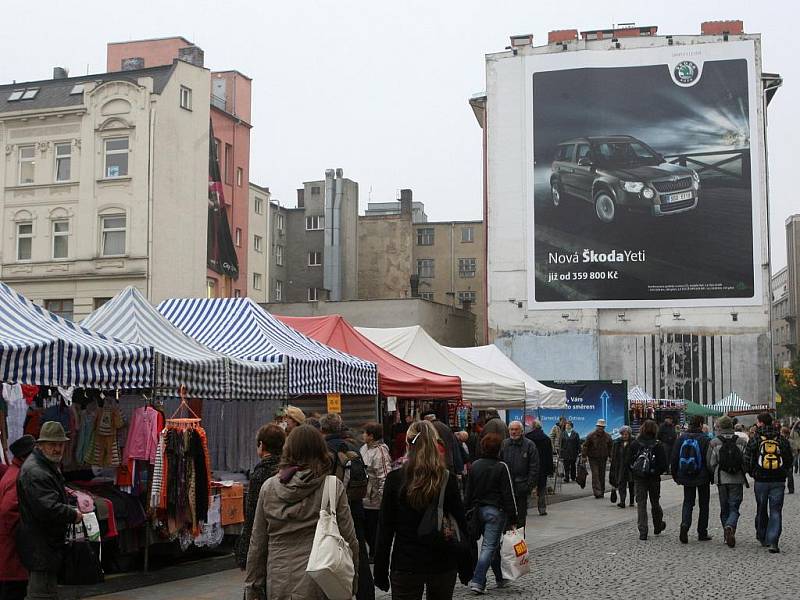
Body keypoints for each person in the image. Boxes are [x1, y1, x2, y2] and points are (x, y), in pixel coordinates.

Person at [244, 425, 359, 599]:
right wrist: (352, 580)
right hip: (320, 579)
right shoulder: (331, 486)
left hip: (279, 579)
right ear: (321, 450)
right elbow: (349, 538)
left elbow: (257, 543)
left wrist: (253, 587)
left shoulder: (269, 488)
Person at [374, 420, 471, 599]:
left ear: (407, 444)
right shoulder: (446, 479)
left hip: (406, 562)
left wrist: (380, 569)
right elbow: (460, 523)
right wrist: (466, 565)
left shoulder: (396, 479)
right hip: (442, 560)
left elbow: (385, 529)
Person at [16, 423, 83, 600]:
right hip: (41, 547)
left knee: (44, 593)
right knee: (41, 595)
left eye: (60, 444)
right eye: (52, 444)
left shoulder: (44, 465)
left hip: (44, 546)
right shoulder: (36, 471)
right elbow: (48, 508)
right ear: (41, 445)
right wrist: (73, 514)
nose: (57, 449)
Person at [321, 413, 374, 600]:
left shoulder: (324, 450)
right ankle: (366, 593)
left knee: (329, 554)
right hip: (355, 506)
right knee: (358, 553)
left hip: (332, 510)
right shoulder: (354, 447)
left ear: (323, 430)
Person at [464, 433, 516, 594]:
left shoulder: (475, 465)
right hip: (495, 511)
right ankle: (478, 580)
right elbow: (508, 494)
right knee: (489, 546)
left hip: (477, 510)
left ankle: (500, 578)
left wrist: (466, 511)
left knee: (491, 546)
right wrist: (514, 517)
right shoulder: (502, 466)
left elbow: (468, 491)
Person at [235, 424, 286, 572]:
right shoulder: (287, 470)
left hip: (265, 538)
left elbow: (252, 514)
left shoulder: (260, 474)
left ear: (261, 446)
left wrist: (245, 551)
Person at [744, 412, 793, 553]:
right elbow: (789, 458)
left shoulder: (756, 438)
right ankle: (773, 542)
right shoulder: (781, 438)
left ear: (760, 423)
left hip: (761, 480)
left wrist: (753, 473)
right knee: (776, 510)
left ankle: (762, 535)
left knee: (761, 507)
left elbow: (747, 458)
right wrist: (783, 472)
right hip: (778, 480)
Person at [0, 435, 35, 600]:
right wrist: (26, 532)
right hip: (12, 553)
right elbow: (8, 511)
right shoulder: (17, 477)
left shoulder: (13, 472)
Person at [707, 415, 747, 548]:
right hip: (737, 478)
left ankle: (726, 533)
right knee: (734, 507)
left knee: (724, 507)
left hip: (721, 479)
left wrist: (715, 474)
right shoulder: (741, 441)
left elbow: (711, 463)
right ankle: (730, 526)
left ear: (720, 427)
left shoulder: (714, 442)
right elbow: (746, 460)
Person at [671, 415, 712, 543]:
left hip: (686, 475)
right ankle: (702, 532)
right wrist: (711, 476)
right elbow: (709, 460)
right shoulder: (705, 439)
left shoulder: (681, 438)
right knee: (704, 504)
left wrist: (675, 475)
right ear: (700, 424)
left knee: (688, 502)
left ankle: (685, 525)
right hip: (702, 475)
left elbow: (674, 458)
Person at [628, 420, 667, 541]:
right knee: (655, 502)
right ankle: (657, 525)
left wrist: (635, 472)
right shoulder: (658, 445)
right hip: (654, 478)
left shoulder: (635, 444)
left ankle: (643, 531)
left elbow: (628, 462)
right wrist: (655, 471)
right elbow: (664, 465)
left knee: (641, 504)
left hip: (639, 478)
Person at [359, 421, 392, 561]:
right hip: (364, 496)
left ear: (371, 436)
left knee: (373, 528)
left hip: (375, 499)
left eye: (364, 433)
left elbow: (384, 476)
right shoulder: (363, 449)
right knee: (366, 527)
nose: (362, 435)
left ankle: (375, 552)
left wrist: (384, 498)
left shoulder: (381, 452)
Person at [500, 421, 539, 527]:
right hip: (507, 487)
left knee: (521, 516)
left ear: (521, 431)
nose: (513, 432)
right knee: (507, 515)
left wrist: (529, 485)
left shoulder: (529, 445)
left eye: (516, 429)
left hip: (521, 486)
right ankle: (509, 540)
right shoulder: (505, 444)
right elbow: (500, 463)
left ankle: (520, 540)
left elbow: (534, 467)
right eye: (511, 429)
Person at [525, 420, 553, 516]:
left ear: (532, 427)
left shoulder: (527, 438)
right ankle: (542, 509)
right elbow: (549, 456)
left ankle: (524, 508)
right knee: (541, 489)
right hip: (543, 467)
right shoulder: (546, 439)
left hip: (530, 467)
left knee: (528, 488)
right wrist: (550, 470)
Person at [422, 411, 463, 476]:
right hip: (448, 462)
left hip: (434, 464)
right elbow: (454, 447)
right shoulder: (445, 427)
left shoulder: (427, 429)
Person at [582, 419, 613, 499]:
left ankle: (602, 491)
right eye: (599, 426)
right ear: (597, 427)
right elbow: (585, 446)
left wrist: (611, 456)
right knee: (595, 475)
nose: (600, 428)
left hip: (603, 457)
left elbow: (610, 447)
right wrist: (584, 456)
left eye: (602, 427)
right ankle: (597, 492)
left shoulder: (607, 436)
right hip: (593, 458)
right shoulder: (591, 435)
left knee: (602, 475)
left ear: (604, 427)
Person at [610, 426, 635, 508]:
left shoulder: (634, 442)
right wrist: (613, 466)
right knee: (621, 484)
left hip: (631, 467)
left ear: (629, 434)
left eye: (626, 434)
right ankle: (622, 501)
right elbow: (614, 456)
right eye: (623, 434)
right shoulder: (617, 442)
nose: (625, 436)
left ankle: (632, 501)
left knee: (632, 484)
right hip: (620, 466)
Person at [780, 426, 794, 494]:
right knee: (790, 475)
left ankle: (783, 489)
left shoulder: (783, 440)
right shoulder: (788, 440)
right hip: (789, 459)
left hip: (784, 459)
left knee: (783, 476)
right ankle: (791, 489)